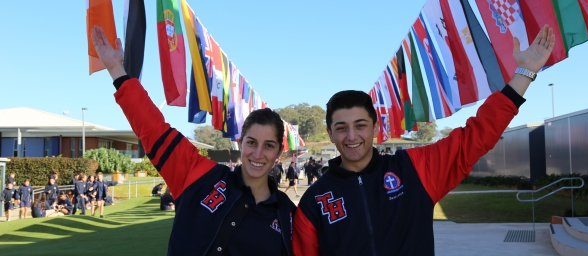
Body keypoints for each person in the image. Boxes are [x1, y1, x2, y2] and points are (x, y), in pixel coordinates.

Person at [291, 26, 556, 255]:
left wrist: (524, 73)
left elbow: (476, 136)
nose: (351, 137)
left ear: (374, 128)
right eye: (341, 128)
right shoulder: (314, 200)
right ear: (329, 133)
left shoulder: (414, 168)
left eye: (360, 126)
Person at [91, 25, 297, 255]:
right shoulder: (199, 175)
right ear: (241, 143)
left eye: (268, 146)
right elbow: (152, 128)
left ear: (279, 152)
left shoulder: (289, 215)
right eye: (252, 142)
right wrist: (116, 70)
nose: (258, 153)